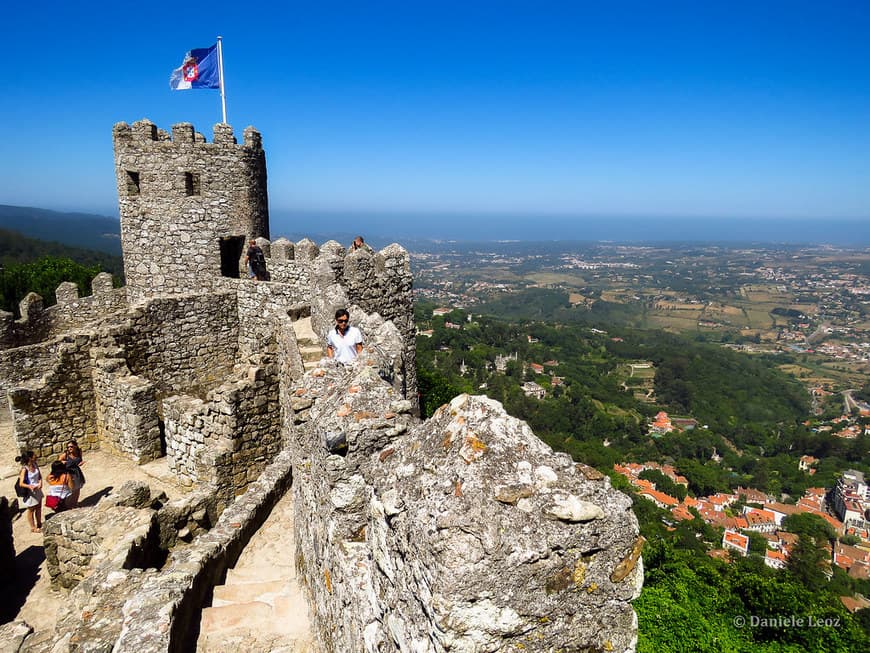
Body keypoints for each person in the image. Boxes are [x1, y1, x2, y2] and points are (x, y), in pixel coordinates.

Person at [16, 451, 43, 532]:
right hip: (30, 492)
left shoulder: (35, 465)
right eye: (34, 455)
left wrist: (40, 483)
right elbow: (21, 483)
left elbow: (39, 476)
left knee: (38, 508)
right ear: (30, 458)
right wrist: (29, 486)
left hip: (37, 490)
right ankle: (33, 527)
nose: (36, 456)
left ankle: (39, 524)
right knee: (31, 510)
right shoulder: (24, 469)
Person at [58, 439, 85, 508]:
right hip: (68, 474)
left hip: (76, 473)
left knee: (77, 489)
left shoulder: (79, 452)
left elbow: (80, 460)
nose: (69, 448)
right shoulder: (66, 455)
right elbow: (57, 463)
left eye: (71, 447)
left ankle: (74, 503)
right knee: (70, 490)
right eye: (68, 447)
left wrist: (80, 463)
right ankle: (67, 505)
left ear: (75, 446)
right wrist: (62, 463)